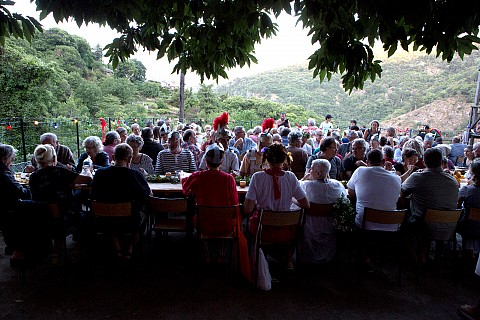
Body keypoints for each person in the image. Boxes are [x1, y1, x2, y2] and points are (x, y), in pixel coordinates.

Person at [244, 143, 309, 270]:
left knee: (247, 226)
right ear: (284, 160)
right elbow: (305, 204)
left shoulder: (257, 177)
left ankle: (259, 258)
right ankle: (287, 257)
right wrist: (291, 199)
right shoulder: (290, 177)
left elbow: (247, 209)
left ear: (266, 159)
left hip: (263, 230)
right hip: (285, 231)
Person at [29, 144, 92, 263]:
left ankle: (56, 253)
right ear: (54, 158)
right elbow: (87, 179)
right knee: (89, 216)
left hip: (41, 216)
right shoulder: (59, 172)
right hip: (65, 215)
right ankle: (80, 250)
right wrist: (87, 170)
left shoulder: (33, 177)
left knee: (55, 216)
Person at [91, 143, 152, 259]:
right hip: (130, 220)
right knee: (142, 214)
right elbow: (146, 195)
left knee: (111, 216)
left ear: (113, 157)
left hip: (104, 219)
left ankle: (117, 249)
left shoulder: (99, 174)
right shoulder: (135, 175)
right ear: (130, 158)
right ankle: (130, 249)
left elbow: (93, 194)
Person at [401, 148, 458, 264]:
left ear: (424, 162)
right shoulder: (453, 181)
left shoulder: (418, 177)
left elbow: (401, 192)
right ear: (442, 162)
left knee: (401, 227)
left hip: (423, 226)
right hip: (449, 228)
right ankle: (425, 255)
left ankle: (414, 256)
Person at [299, 159, 347, 264]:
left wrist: (304, 179)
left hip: (310, 226)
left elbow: (295, 191)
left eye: (311, 169)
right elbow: (345, 201)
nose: (309, 171)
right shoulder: (337, 185)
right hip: (330, 226)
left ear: (318, 173)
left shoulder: (307, 185)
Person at [347, 149, 401, 231]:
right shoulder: (396, 178)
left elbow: (351, 192)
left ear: (367, 162)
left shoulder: (360, 171)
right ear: (383, 161)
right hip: (391, 227)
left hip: (364, 225)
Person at [0, 144, 32, 259]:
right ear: (4, 159)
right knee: (43, 206)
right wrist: (29, 188)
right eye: (12, 159)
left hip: (4, 207)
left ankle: (15, 247)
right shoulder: (3, 172)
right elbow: (21, 192)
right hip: (8, 208)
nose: (12, 162)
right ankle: (20, 249)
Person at [457, 160, 480, 259]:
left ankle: (467, 252)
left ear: (472, 173)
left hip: (469, 226)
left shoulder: (466, 190)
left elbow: (456, 206)